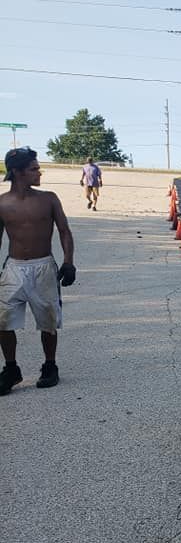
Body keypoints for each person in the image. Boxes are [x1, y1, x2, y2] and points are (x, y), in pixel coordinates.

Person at [0, 147, 76, 394]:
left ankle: (50, 366)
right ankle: (11, 369)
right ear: (17, 172)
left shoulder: (49, 199)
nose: (39, 172)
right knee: (3, 321)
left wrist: (68, 262)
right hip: (14, 268)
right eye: (33, 169)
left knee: (48, 320)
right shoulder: (2, 203)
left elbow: (64, 231)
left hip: (44, 267)